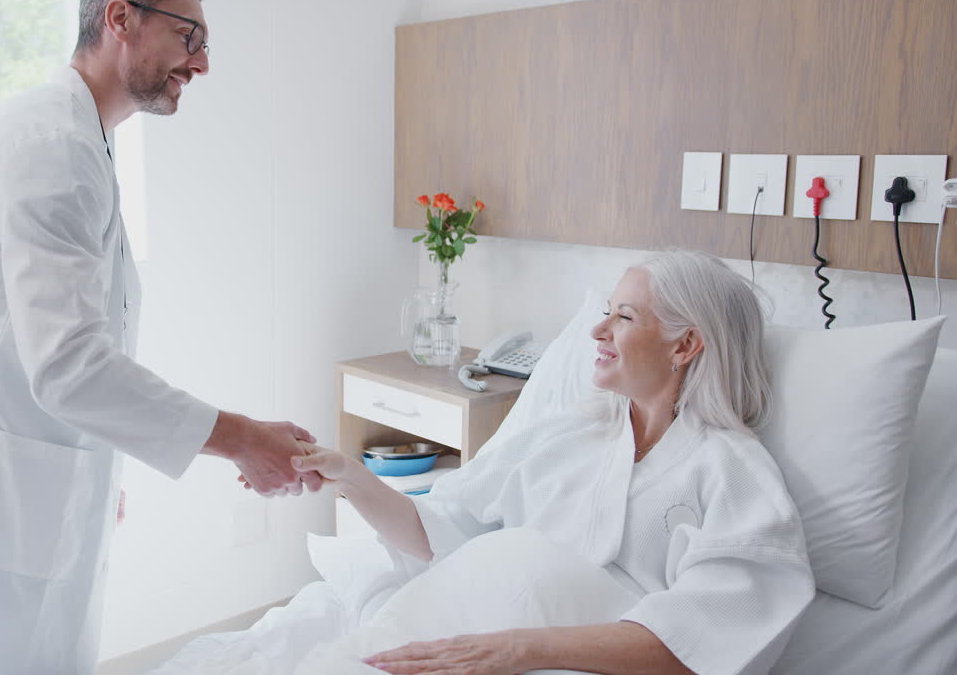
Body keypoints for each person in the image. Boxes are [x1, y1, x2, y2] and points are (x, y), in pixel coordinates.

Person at [0, 0, 319, 674]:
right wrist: (243, 439)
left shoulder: (78, 138)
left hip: (23, 478)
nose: (202, 63)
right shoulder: (51, 144)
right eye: (189, 37)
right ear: (120, 19)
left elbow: (54, 344)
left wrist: (93, 472)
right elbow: (70, 366)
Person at [280, 250, 815, 675]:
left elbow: (702, 638)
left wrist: (516, 650)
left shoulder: (733, 473)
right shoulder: (566, 436)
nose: (597, 331)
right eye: (605, 311)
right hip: (466, 633)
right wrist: (350, 476)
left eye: (623, 317)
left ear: (685, 345)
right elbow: (439, 531)